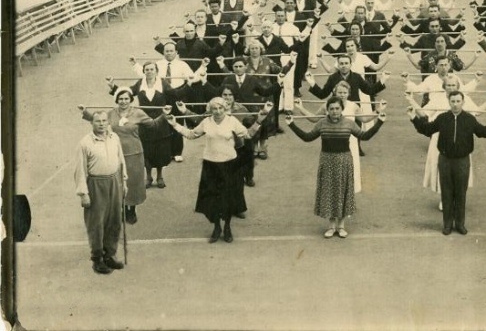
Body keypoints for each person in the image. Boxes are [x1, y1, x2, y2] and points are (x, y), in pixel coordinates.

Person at [166, 98, 271, 243]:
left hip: (229, 165)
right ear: (210, 109)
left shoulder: (231, 120)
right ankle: (216, 228)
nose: (218, 111)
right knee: (213, 199)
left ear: (225, 108)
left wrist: (259, 120)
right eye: (215, 108)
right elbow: (191, 134)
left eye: (221, 108)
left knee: (228, 198)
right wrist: (175, 124)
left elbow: (247, 135)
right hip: (211, 165)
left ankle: (227, 227)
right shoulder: (206, 122)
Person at [285, 97, 386, 238]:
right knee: (329, 192)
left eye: (337, 108)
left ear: (341, 109)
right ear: (327, 110)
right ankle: (331, 226)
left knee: (342, 192)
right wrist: (291, 124)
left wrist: (380, 122)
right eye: (331, 108)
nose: (334, 111)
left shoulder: (349, 123)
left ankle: (341, 225)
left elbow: (365, 136)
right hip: (327, 161)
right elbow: (307, 137)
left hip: (344, 161)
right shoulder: (322, 124)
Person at [408, 91, 486, 235]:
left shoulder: (469, 119)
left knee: (460, 193)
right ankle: (447, 224)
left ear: (463, 102)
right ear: (449, 102)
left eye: (458, 101)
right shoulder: (442, 118)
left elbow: (483, 132)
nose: (455, 104)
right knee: (446, 193)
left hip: (462, 161)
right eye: (452, 101)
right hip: (445, 160)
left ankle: (460, 224)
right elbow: (426, 129)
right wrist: (413, 118)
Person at [80, 88, 171, 224]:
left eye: (126, 99)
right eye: (121, 99)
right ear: (117, 100)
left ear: (130, 100)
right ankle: (121, 209)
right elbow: (97, 120)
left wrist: (164, 115)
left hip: (134, 153)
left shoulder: (138, 113)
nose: (123, 101)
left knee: (133, 183)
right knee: (118, 183)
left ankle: (131, 211)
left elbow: (153, 125)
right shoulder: (111, 113)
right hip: (114, 152)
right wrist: (84, 111)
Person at [75, 110, 128, 274]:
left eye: (104, 121)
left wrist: (124, 181)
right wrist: (84, 194)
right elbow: (80, 171)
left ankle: (109, 255)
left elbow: (121, 160)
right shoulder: (85, 143)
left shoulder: (114, 138)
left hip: (114, 182)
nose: (102, 124)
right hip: (95, 184)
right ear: (92, 123)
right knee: (96, 224)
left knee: (114, 220)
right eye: (98, 121)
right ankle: (97, 259)